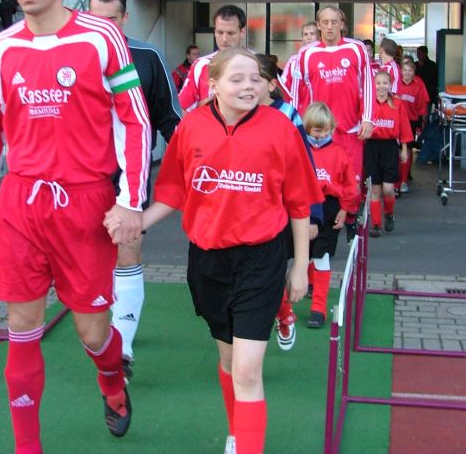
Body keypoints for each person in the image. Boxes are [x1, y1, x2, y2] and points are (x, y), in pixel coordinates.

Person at [0, 0, 151, 451]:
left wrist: (129, 200)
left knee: (93, 333)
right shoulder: (2, 46)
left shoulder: (100, 37)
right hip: (22, 203)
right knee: (21, 327)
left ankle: (112, 382)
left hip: (85, 203)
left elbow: (135, 121)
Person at [114, 47, 322, 454]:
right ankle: (236, 432)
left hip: (262, 260)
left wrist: (300, 266)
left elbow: (299, 202)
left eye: (255, 79)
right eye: (237, 78)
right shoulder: (191, 127)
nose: (249, 86)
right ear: (213, 86)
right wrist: (135, 222)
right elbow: (173, 192)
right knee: (229, 363)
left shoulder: (281, 128)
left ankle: (247, 446)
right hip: (208, 262)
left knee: (247, 371)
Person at [88, 0, 181, 377]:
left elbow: (170, 118)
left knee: (127, 249)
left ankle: (122, 346)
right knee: (90, 259)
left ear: (125, 18)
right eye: (95, 19)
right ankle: (105, 323)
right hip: (79, 179)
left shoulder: (147, 57)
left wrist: (195, 163)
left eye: (111, 19)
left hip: (129, 176)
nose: (103, 27)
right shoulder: (73, 57)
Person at [280, 6, 374, 237]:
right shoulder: (306, 54)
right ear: (319, 25)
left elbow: (367, 84)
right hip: (319, 131)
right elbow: (296, 91)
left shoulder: (356, 49)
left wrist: (368, 118)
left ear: (342, 24)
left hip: (350, 128)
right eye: (325, 22)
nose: (330, 27)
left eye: (334, 22)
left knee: (352, 179)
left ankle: (351, 219)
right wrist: (294, 124)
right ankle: (318, 224)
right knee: (318, 179)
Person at [254, 53, 324, 348]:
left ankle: (283, 315)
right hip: (245, 210)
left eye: (255, 79)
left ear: (271, 84)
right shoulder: (234, 111)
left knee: (272, 271)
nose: (247, 86)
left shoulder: (288, 114)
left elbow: (305, 166)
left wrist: (314, 214)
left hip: (281, 210)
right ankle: (279, 313)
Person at [302, 102, 358, 328]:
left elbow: (350, 184)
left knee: (322, 255)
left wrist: (345, 209)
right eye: (317, 130)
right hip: (302, 206)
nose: (322, 135)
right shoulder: (300, 150)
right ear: (307, 128)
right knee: (303, 253)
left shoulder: (338, 152)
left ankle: (318, 308)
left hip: (329, 207)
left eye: (326, 130)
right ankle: (305, 284)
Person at [364, 70, 413, 237]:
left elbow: (404, 126)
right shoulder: (368, 103)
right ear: (373, 85)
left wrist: (404, 149)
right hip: (372, 147)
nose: (381, 87)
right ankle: (376, 224)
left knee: (388, 188)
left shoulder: (397, 103)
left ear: (390, 85)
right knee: (375, 188)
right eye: (378, 83)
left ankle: (389, 213)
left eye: (385, 83)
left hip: (390, 147)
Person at [178, 4, 246, 112]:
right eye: (220, 32)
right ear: (214, 32)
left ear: (242, 32)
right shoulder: (201, 65)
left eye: (230, 33)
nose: (224, 39)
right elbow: (181, 108)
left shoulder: (258, 63)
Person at [396, 58, 429, 195]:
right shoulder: (396, 82)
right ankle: (396, 178)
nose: (407, 73)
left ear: (414, 72)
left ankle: (404, 180)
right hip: (395, 120)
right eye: (404, 70)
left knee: (407, 150)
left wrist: (422, 124)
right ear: (401, 71)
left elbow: (423, 105)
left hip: (411, 121)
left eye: (410, 70)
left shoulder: (419, 84)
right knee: (397, 151)